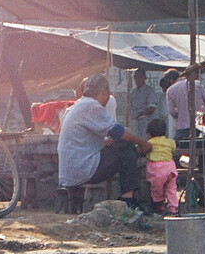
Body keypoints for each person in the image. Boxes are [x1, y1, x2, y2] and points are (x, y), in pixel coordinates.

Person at [57, 73, 151, 208]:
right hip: (83, 169)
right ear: (104, 92)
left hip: (72, 169)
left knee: (120, 145)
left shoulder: (81, 104)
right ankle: (128, 198)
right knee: (126, 147)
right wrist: (144, 143)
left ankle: (127, 196)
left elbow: (96, 140)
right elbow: (118, 132)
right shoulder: (91, 106)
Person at [165, 68, 205, 140]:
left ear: (171, 80)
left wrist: (181, 114)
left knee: (179, 148)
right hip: (199, 126)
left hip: (182, 128)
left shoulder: (170, 90)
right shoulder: (197, 84)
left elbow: (172, 112)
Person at [144, 117, 178, 214]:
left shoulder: (150, 142)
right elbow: (173, 148)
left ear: (149, 134)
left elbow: (140, 149)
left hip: (157, 168)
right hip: (170, 167)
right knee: (171, 189)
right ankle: (173, 209)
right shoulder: (169, 142)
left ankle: (159, 206)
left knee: (157, 189)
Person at [127, 69, 163, 138]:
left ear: (144, 78)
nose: (137, 79)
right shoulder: (133, 93)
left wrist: (140, 114)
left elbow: (152, 108)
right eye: (136, 77)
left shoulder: (149, 91)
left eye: (140, 77)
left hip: (146, 123)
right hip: (135, 123)